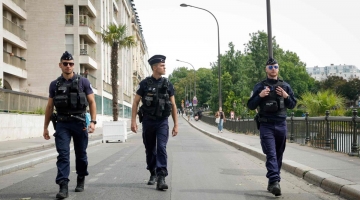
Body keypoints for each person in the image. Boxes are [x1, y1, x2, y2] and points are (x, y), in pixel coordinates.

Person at [43, 51, 97, 199]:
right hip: (62, 123)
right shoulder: (54, 84)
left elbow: (92, 102)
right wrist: (45, 127)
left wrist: (92, 122)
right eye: (65, 64)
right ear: (60, 65)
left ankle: (81, 178)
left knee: (81, 155)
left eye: (71, 64)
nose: (68, 66)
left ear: (74, 65)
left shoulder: (83, 82)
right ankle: (63, 185)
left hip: (80, 123)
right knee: (63, 155)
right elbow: (49, 107)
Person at [247, 57, 297, 196]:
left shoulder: (285, 86)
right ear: (266, 69)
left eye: (275, 67)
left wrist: (286, 96)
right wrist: (260, 96)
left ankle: (272, 182)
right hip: (266, 125)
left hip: (281, 124)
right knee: (271, 153)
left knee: (279, 155)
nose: (273, 69)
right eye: (270, 67)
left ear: (278, 69)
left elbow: (293, 105)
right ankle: (275, 181)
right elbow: (251, 105)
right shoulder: (259, 86)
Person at [131, 54, 178, 191]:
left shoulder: (168, 84)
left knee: (161, 147)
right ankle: (152, 171)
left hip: (162, 121)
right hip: (148, 121)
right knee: (150, 149)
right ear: (155, 67)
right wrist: (133, 121)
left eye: (164, 65)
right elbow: (135, 102)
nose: (164, 67)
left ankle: (161, 176)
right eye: (162, 65)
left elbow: (173, 105)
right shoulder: (145, 84)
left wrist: (175, 124)